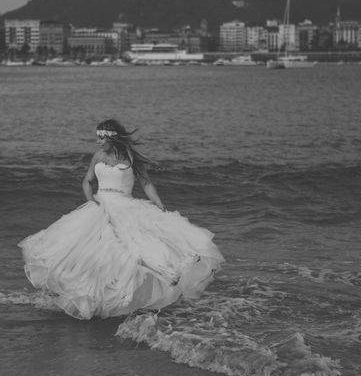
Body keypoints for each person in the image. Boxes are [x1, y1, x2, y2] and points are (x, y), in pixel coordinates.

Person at [19, 119, 224, 320]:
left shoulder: (131, 159)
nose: (98, 141)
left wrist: (159, 204)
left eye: (101, 137)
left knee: (131, 253)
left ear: (113, 139)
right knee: (92, 255)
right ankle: (92, 298)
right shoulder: (98, 156)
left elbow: (146, 183)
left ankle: (127, 301)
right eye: (97, 137)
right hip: (99, 206)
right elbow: (87, 180)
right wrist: (90, 200)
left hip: (126, 206)